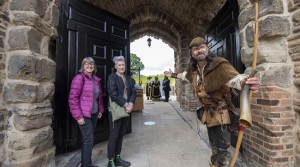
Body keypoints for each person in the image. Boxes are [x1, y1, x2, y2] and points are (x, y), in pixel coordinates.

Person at [164, 37, 260, 167]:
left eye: (202, 47)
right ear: (192, 53)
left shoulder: (219, 64)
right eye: (196, 49)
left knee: (222, 149)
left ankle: (222, 165)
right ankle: (214, 164)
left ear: (207, 49)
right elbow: (185, 76)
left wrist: (246, 82)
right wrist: (173, 74)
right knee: (213, 145)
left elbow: (234, 78)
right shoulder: (194, 69)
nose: (199, 51)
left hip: (221, 113)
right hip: (208, 113)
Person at [69, 57, 104, 167]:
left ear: (94, 66)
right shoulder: (79, 78)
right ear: (83, 66)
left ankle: (85, 164)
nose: (90, 66)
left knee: (87, 140)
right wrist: (78, 116)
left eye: (92, 64)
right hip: (84, 115)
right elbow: (73, 98)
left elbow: (100, 97)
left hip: (94, 113)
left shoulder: (95, 79)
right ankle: (87, 165)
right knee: (89, 140)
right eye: (87, 64)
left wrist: (100, 110)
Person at [107, 56, 136, 167]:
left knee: (121, 135)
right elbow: (113, 94)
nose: (121, 67)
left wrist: (131, 104)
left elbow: (133, 92)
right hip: (116, 110)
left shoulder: (129, 78)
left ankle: (118, 157)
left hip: (127, 110)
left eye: (123, 65)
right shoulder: (112, 77)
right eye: (119, 65)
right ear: (115, 66)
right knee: (114, 136)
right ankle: (110, 161)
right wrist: (126, 104)